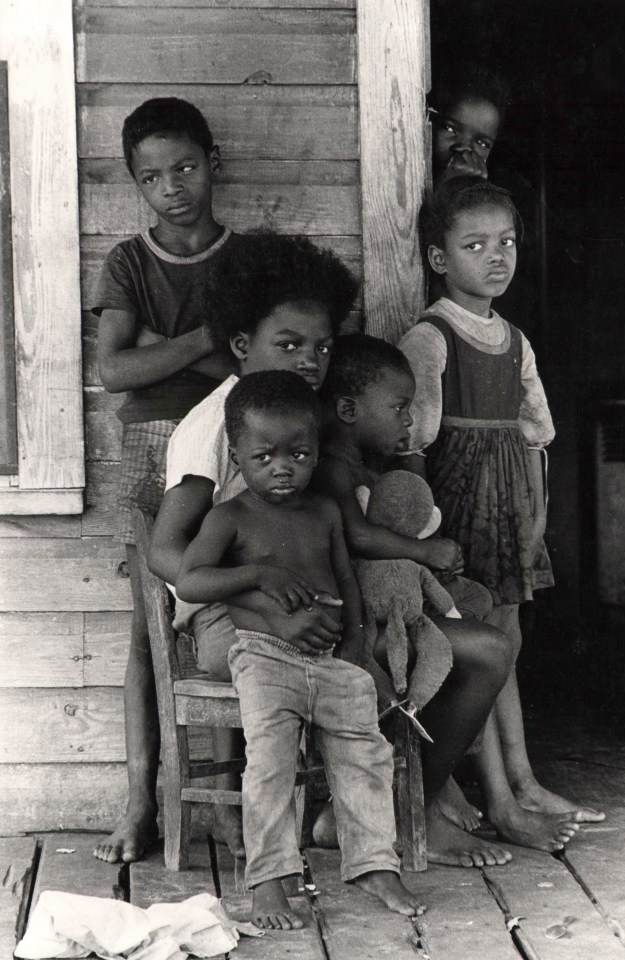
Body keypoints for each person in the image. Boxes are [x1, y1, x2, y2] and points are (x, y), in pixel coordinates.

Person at [175, 371, 427, 929]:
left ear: (316, 452)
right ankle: (269, 881)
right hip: (264, 658)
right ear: (236, 456)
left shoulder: (324, 512)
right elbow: (191, 582)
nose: (282, 467)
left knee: (366, 754)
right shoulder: (229, 518)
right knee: (268, 766)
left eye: (299, 454)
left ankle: (374, 867)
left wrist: (358, 644)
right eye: (264, 456)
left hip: (334, 659)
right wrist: (259, 575)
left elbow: (346, 579)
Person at [398, 176, 603, 851]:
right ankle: (497, 797)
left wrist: (534, 516)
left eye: (506, 243)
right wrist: (429, 529)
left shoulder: (513, 338)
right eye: (475, 244)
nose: (495, 257)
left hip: (510, 506)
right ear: (439, 259)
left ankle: (522, 779)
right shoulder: (430, 337)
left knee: (507, 645)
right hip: (460, 508)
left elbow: (535, 432)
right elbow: (415, 441)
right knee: (479, 645)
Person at [147, 231, 358, 859]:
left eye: (321, 347)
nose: (309, 360)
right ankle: (294, 832)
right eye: (288, 344)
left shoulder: (302, 422)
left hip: (291, 595)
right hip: (224, 607)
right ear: (242, 346)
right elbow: (167, 554)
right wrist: (262, 588)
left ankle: (343, 811)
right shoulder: (220, 424)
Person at [92, 96, 249, 864]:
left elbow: (255, 367)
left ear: (213, 162)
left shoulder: (246, 262)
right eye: (151, 177)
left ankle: (220, 806)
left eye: (184, 167)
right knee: (145, 630)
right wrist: (200, 341)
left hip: (230, 442)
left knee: (218, 611)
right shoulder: (128, 261)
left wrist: (168, 347)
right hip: (150, 446)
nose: (171, 187)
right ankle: (139, 805)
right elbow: (114, 369)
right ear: (136, 186)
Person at [313, 333, 518, 868]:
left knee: (479, 629)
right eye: (400, 407)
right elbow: (357, 538)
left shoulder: (363, 465)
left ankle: (372, 810)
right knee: (492, 651)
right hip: (350, 632)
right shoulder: (334, 465)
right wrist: (422, 552)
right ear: (349, 409)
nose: (410, 420)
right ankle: (417, 811)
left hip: (382, 620)